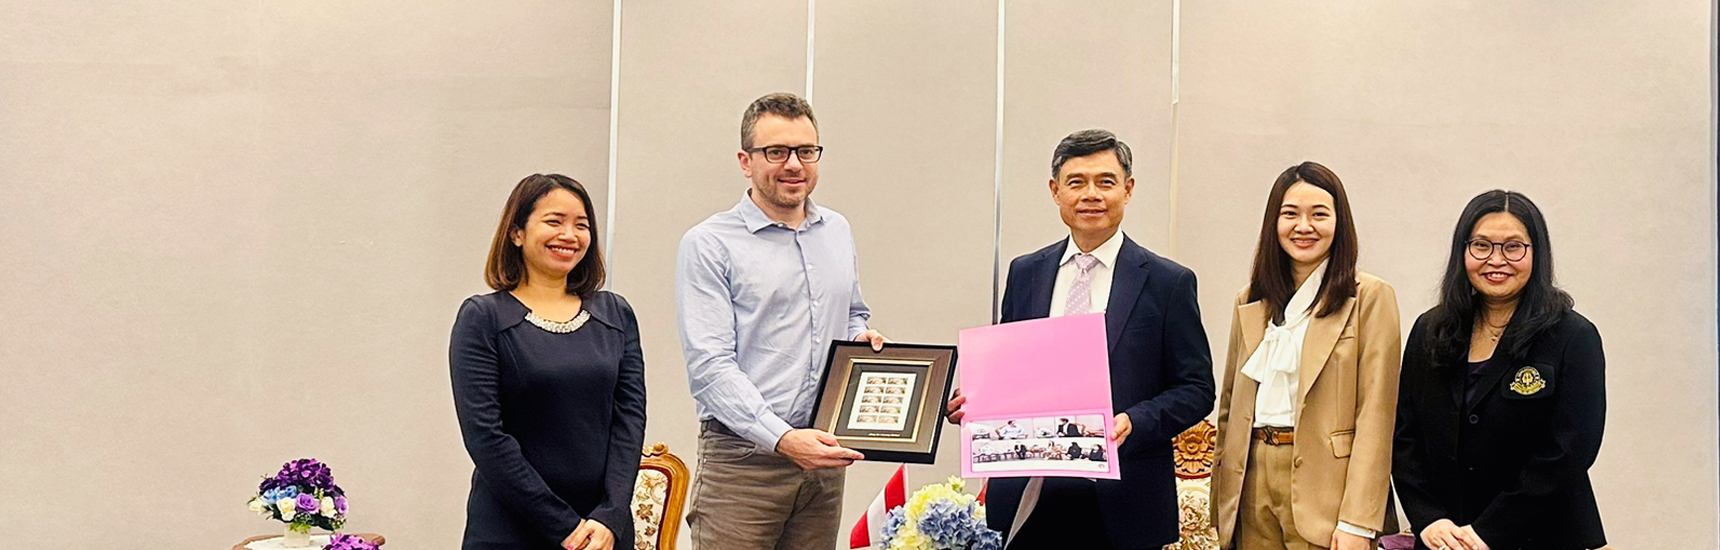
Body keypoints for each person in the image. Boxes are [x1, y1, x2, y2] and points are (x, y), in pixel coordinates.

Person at [947, 129, 1216, 549]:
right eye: (1076, 182)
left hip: (1124, 497)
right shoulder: (1026, 272)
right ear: (1056, 192)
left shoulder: (1168, 282)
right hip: (1030, 491)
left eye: (1105, 182)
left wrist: (1136, 421)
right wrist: (978, 402)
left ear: (1127, 190)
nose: (1091, 194)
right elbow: (1009, 372)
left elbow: (1197, 389)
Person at [676, 92, 887, 550]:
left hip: (822, 460)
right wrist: (784, 438)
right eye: (776, 152)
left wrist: (861, 340)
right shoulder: (709, 244)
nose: (794, 164)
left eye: (805, 151)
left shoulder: (837, 230)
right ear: (745, 161)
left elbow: (852, 311)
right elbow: (710, 369)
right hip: (743, 462)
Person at [1393, 190, 1607, 550]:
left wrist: (1489, 532)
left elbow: (1570, 452)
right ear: (1463, 251)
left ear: (1536, 253)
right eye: (1482, 245)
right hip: (1445, 539)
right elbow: (1405, 436)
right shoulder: (1430, 330)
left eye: (1513, 247)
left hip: (1543, 535)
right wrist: (1429, 518)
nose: (1496, 260)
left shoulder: (1573, 337)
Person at [1208, 162, 1402, 550]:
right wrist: (1222, 498)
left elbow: (1377, 415)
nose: (1304, 226)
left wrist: (1358, 522)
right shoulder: (1251, 299)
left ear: (1339, 222)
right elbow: (1230, 405)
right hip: (1250, 481)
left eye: (1319, 214)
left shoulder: (1369, 297)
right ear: (1273, 223)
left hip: (1326, 491)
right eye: (1290, 214)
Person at [450, 174, 646, 550]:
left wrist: (610, 515)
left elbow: (630, 421)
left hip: (603, 532)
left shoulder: (616, 313)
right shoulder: (482, 318)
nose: (570, 235)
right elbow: (485, 436)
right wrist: (563, 526)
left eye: (582, 225)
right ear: (517, 232)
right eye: (554, 221)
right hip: (511, 528)